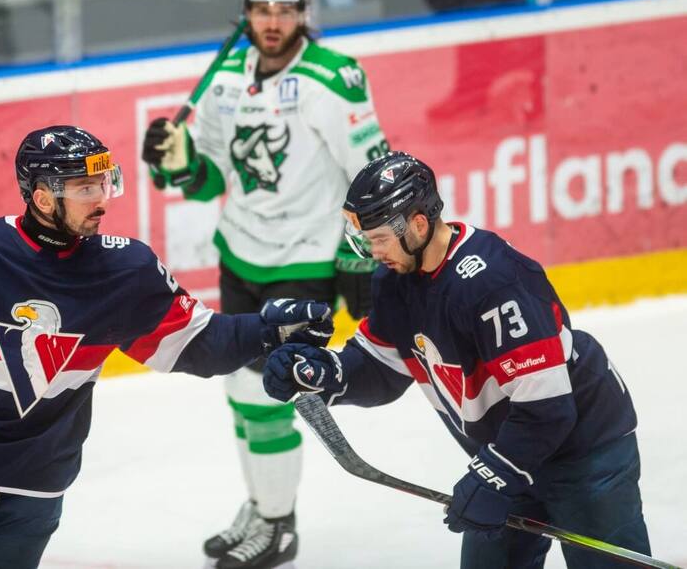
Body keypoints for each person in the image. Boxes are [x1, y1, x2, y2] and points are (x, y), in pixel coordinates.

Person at [0, 125, 334, 569]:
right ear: (41, 197)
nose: (102, 200)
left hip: (32, 492)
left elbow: (200, 345)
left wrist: (269, 328)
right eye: (85, 188)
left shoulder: (125, 274)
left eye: (105, 184)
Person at [263, 151, 652, 568]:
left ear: (417, 224)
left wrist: (496, 474)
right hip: (510, 450)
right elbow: (380, 368)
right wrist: (325, 374)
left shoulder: (492, 282)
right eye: (365, 240)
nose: (372, 253)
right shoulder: (395, 282)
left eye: (378, 239)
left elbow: (547, 406)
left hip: (583, 450)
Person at [141, 0, 388, 569]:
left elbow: (373, 172)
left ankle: (278, 525)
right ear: (246, 11)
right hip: (241, 254)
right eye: (261, 8)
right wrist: (178, 163)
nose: (272, 21)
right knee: (240, 389)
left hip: (304, 263)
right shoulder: (227, 75)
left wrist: (362, 260)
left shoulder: (336, 79)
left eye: (284, 9)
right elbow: (208, 179)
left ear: (304, 10)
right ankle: (262, 503)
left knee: (266, 395)